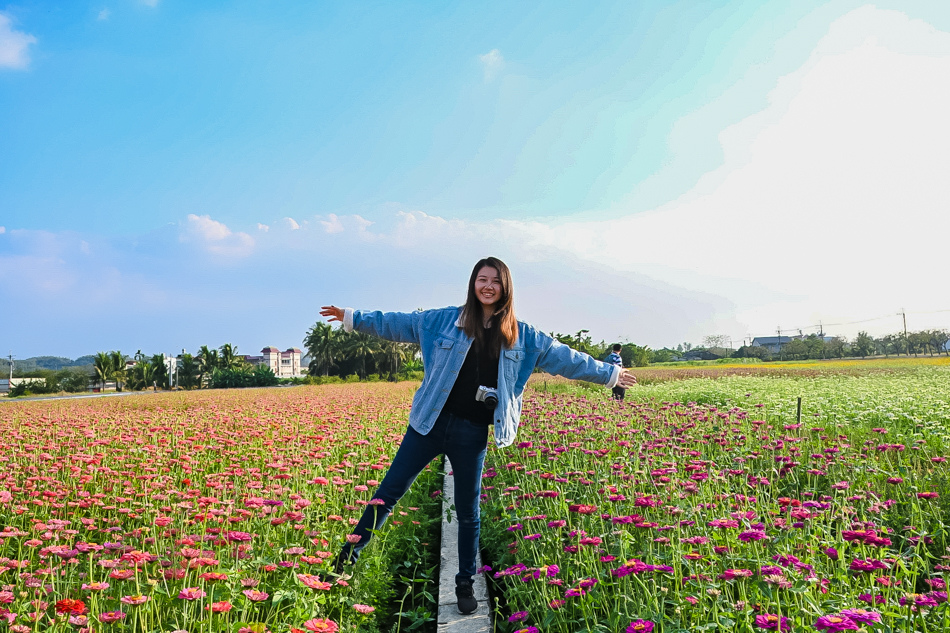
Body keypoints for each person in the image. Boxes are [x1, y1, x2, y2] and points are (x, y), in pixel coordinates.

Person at [319, 256, 637, 615]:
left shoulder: (523, 335)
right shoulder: (442, 320)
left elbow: (565, 358)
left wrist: (608, 375)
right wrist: (352, 317)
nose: (488, 286)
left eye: (495, 281)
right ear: (473, 284)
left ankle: (465, 582)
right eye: (482, 279)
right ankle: (342, 565)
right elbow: (398, 323)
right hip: (428, 424)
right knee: (387, 495)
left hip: (472, 433)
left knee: (469, 513)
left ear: (505, 288)